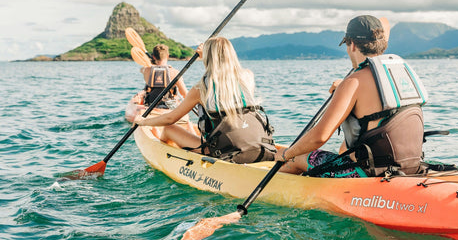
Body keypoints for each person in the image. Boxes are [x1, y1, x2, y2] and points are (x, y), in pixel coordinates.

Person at [274, 15, 428, 177]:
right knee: (346, 148)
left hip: (369, 174)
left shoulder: (353, 82)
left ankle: (275, 187)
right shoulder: (399, 74)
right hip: (409, 167)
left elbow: (319, 137)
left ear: (352, 45)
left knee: (299, 157)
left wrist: (286, 154)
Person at [133, 37, 276, 164]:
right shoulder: (248, 77)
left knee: (169, 129)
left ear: (208, 58)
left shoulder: (200, 89)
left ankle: (169, 157)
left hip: (223, 151)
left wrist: (143, 121)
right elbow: (222, 81)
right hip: (257, 144)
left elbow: (170, 118)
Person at [141, 44, 188, 109]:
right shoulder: (174, 72)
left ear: (154, 57)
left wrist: (152, 63)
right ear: (167, 56)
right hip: (169, 106)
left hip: (150, 105)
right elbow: (184, 93)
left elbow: (144, 68)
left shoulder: (146, 70)